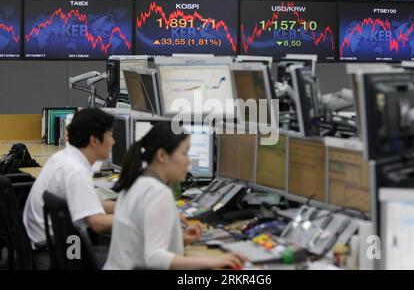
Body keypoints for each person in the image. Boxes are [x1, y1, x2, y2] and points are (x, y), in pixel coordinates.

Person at [104, 122, 247, 270]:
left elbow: (140, 243)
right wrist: (213, 261)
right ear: (162, 156)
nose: (188, 161)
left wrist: (179, 240)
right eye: (184, 153)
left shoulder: (135, 182)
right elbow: (154, 258)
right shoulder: (158, 193)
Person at [23, 109, 116, 247]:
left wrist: (125, 206)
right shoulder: (76, 172)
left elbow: (87, 205)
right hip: (63, 251)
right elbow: (97, 223)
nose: (113, 142)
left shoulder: (64, 158)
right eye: (110, 135)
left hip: (45, 241)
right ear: (94, 141)